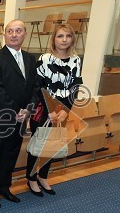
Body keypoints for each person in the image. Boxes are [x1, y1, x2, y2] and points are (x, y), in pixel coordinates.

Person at [0, 19, 40, 208]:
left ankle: (3, 187)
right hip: (2, 116)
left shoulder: (31, 59)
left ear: (25, 34)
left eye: (18, 31)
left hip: (22, 118)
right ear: (4, 34)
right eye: (10, 31)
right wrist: (17, 110)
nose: (14, 34)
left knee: (11, 153)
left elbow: (35, 88)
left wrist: (29, 109)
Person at [26, 23, 82, 196]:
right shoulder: (45, 59)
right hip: (43, 109)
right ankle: (31, 178)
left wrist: (66, 109)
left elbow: (75, 87)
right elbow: (38, 87)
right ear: (54, 39)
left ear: (72, 39)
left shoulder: (76, 60)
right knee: (39, 144)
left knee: (52, 145)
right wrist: (49, 110)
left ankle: (43, 176)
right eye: (60, 36)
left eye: (68, 36)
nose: (64, 40)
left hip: (62, 109)